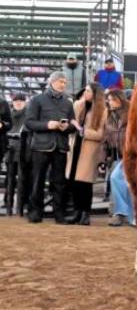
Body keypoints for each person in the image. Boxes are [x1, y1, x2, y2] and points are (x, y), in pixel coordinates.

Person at [24, 71, 77, 223]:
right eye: (61, 82)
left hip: (60, 147)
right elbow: (29, 122)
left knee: (59, 182)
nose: (63, 85)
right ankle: (35, 212)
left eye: (65, 82)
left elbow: (73, 125)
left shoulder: (68, 103)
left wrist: (66, 127)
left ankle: (59, 214)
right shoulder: (37, 100)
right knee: (37, 180)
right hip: (41, 147)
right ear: (52, 82)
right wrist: (48, 125)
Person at [64, 82, 107, 225]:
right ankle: (77, 212)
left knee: (85, 184)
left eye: (88, 91)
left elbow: (100, 134)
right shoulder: (78, 104)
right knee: (74, 182)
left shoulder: (103, 110)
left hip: (89, 150)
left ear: (95, 94)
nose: (85, 93)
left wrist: (84, 132)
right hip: (75, 147)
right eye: (85, 90)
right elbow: (72, 119)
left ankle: (85, 213)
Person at [104, 89, 135, 227]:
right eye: (109, 100)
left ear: (120, 99)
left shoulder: (131, 113)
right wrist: (105, 158)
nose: (110, 102)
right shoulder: (111, 116)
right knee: (119, 180)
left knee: (122, 181)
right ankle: (125, 214)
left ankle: (126, 214)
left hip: (132, 154)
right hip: (118, 155)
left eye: (112, 100)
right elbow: (107, 138)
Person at [4, 94, 31, 214]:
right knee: (9, 180)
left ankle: (20, 206)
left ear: (25, 102)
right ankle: (8, 205)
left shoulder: (29, 115)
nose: (18, 102)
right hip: (10, 150)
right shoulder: (7, 114)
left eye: (21, 100)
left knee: (23, 179)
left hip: (24, 150)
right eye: (16, 100)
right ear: (12, 102)